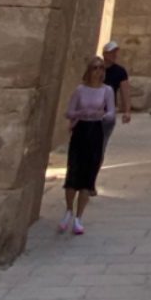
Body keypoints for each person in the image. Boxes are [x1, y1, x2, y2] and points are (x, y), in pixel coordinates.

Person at [59, 56, 120, 236]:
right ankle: (69, 210)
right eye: (95, 67)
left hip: (95, 130)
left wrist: (101, 115)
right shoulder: (80, 90)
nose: (98, 71)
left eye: (101, 68)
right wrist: (81, 112)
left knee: (88, 173)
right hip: (81, 129)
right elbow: (69, 112)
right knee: (73, 172)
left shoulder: (107, 90)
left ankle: (79, 217)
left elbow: (111, 112)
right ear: (89, 70)